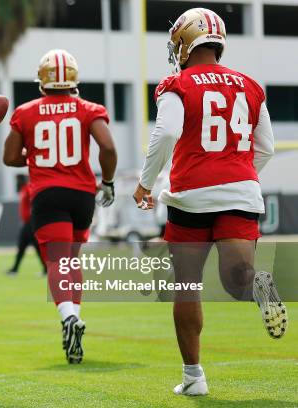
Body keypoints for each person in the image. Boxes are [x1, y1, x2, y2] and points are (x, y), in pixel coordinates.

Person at [132, 8, 287, 396]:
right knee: (237, 280)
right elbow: (265, 146)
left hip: (190, 196)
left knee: (186, 286)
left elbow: (166, 134)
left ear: (185, 41)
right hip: (240, 190)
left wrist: (145, 183)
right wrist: (237, 174)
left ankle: (194, 378)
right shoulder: (249, 84)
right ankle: (258, 284)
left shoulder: (177, 83)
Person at [3, 49, 117, 364]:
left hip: (48, 192)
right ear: (74, 80)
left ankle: (67, 318)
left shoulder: (26, 112)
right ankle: (74, 316)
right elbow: (107, 146)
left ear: (42, 81)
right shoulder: (88, 108)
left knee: (56, 260)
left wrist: (38, 154)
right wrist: (107, 182)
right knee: (71, 260)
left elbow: (10, 157)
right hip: (82, 194)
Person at [6, 176, 46, 276]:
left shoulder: (28, 188)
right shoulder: (23, 190)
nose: (16, 183)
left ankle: (47, 268)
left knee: (35, 247)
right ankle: (15, 269)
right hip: (27, 224)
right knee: (22, 246)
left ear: (21, 180)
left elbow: (36, 200)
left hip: (31, 223)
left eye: (17, 181)